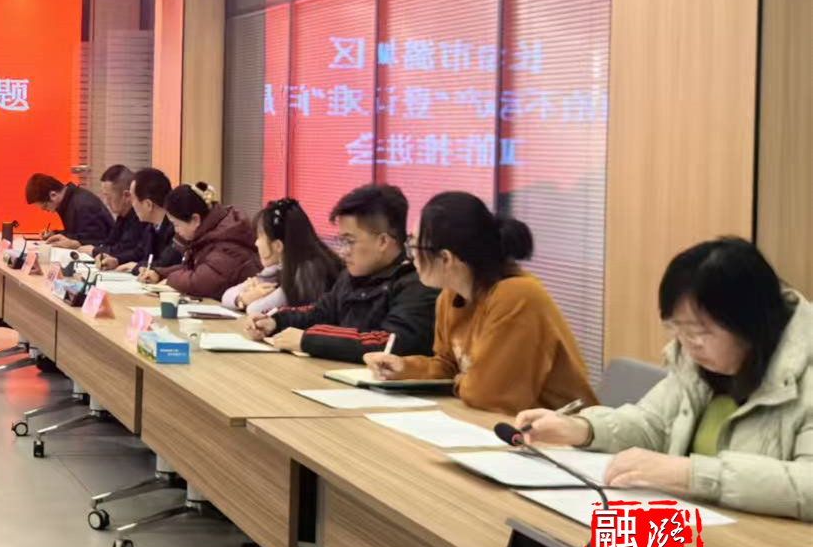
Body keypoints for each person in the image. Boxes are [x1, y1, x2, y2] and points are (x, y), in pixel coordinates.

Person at [516, 238, 812, 521]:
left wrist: (690, 474)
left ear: (751, 322)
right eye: (677, 330)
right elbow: (651, 425)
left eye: (700, 332)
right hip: (693, 529)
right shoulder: (696, 366)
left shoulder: (804, 372)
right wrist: (582, 429)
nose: (688, 344)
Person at [361, 192, 596, 414]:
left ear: (446, 258)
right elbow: (448, 366)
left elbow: (492, 395)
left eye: (414, 246)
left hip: (559, 431)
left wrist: (462, 381)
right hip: (496, 422)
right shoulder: (450, 296)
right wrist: (405, 367)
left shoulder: (517, 297)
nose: (411, 257)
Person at [248, 183, 437, 362]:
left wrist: (309, 340)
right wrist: (275, 320)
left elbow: (390, 342)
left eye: (349, 241)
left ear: (382, 242)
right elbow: (318, 312)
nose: (342, 251)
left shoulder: (417, 283)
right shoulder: (352, 275)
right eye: (341, 241)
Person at [136, 185, 260, 300]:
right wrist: (159, 273)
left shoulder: (228, 241)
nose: (176, 231)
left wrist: (170, 280)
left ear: (195, 219)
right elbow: (193, 268)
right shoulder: (209, 234)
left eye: (176, 225)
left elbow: (200, 281)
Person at [223, 198, 343, 316]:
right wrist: (243, 298)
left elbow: (255, 310)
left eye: (259, 237)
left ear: (278, 246)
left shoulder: (307, 271)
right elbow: (226, 296)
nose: (256, 243)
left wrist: (253, 296)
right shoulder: (278, 267)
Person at [102, 167, 180, 273]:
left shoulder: (176, 228)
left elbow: (165, 264)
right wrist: (117, 260)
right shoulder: (151, 226)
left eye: (133, 199)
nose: (132, 204)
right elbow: (138, 252)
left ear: (148, 205)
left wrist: (137, 266)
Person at [53, 165, 139, 255]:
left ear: (126, 195)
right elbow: (110, 243)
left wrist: (94, 251)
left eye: (108, 196)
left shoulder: (140, 219)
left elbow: (128, 252)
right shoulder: (122, 216)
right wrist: (78, 244)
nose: (106, 202)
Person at [24, 172, 113, 247]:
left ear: (53, 195)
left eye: (45, 207)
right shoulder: (68, 202)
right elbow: (78, 233)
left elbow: (95, 240)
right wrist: (55, 234)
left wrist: (65, 239)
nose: (48, 211)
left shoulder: (83, 205)